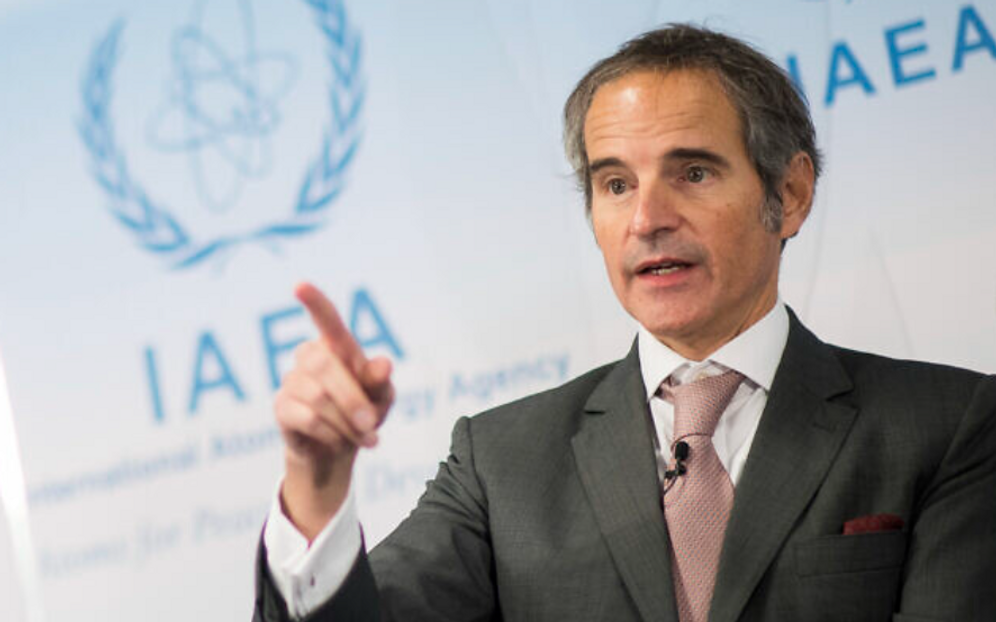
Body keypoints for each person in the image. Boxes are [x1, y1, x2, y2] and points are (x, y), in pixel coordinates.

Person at [253, 24, 996, 622]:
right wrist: (315, 485)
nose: (646, 219)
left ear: (791, 193)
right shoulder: (500, 461)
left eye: (693, 172)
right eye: (615, 183)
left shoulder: (947, 425)